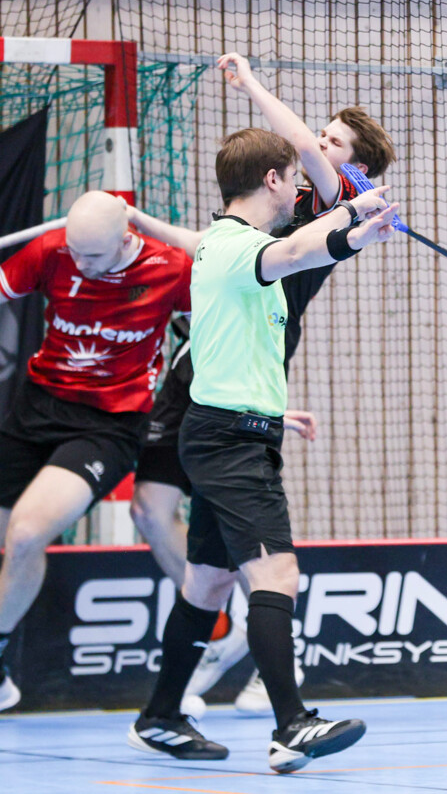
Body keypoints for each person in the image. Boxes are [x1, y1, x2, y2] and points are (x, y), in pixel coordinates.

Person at [128, 49, 397, 717]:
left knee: (212, 580)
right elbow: (215, 241)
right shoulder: (270, 218)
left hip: (259, 342)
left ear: (354, 169)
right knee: (255, 571)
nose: (317, 143)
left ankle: (168, 713)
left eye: (335, 143)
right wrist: (143, 223)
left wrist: (249, 82)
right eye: (322, 135)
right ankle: (286, 718)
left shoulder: (334, 196)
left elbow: (299, 169)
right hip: (230, 378)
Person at [0, 191, 192, 713]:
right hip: (36, 408)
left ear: (126, 240)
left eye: (93, 256)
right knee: (12, 541)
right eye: (74, 252)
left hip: (108, 424)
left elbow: (225, 325)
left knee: (26, 533)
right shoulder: (51, 251)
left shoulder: (170, 269)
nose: (80, 265)